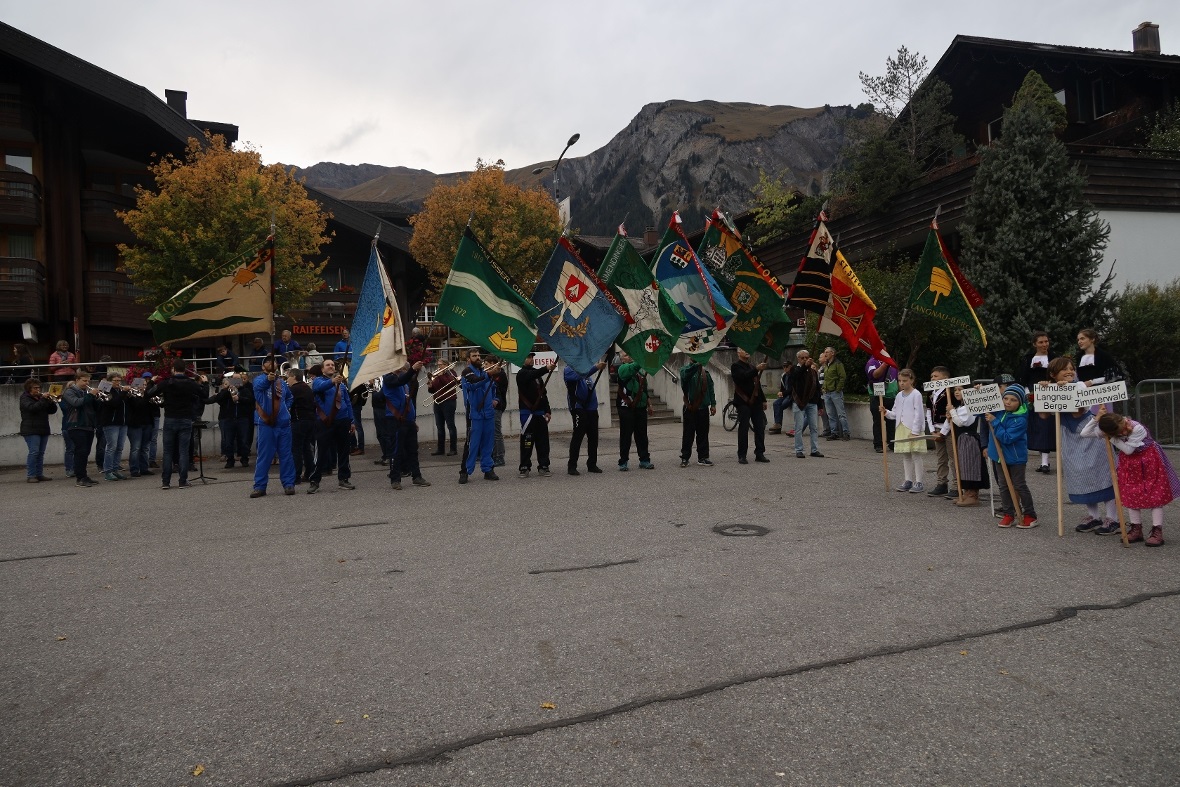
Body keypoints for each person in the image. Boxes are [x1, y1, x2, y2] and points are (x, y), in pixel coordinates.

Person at [1039, 358, 1118, 534]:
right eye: (1064, 369)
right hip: (1069, 435)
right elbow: (1044, 415)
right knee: (1081, 475)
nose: (1069, 371)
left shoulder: (1080, 386)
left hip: (1089, 431)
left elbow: (1078, 411)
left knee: (1102, 472)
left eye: (1071, 368)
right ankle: (1094, 516)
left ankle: (1113, 518)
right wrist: (1044, 392)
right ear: (1053, 374)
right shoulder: (1050, 389)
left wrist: (1066, 389)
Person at [1087, 406, 1179, 547]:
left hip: (1149, 462)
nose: (1126, 429)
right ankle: (1136, 528)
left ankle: (1157, 530)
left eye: (1125, 424)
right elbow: (1084, 433)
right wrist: (1096, 419)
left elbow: (1129, 450)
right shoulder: (1111, 430)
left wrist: (1112, 438)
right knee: (1131, 494)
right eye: (1121, 431)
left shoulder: (1137, 428)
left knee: (1154, 494)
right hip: (1129, 467)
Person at [146, 360, 206, 490]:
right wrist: (205, 382)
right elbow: (204, 395)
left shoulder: (167, 382)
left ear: (173, 369)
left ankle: (166, 482)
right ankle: (182, 481)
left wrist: (151, 381)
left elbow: (149, 393)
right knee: (183, 451)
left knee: (168, 451)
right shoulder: (190, 383)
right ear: (184, 369)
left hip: (170, 419)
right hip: (185, 419)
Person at [986, 384, 1038, 529]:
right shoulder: (1000, 411)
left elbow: (1007, 438)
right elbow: (980, 411)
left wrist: (995, 421)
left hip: (1015, 458)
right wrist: (980, 394)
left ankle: (1030, 515)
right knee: (1003, 485)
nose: (1008, 402)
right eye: (1006, 398)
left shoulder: (1020, 419)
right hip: (998, 456)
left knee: (1019, 485)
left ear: (1020, 402)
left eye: (1013, 400)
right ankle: (1009, 513)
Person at [307, 359, 356, 494]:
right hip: (325, 422)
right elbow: (317, 388)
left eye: (333, 365)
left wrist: (351, 421)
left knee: (344, 451)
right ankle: (315, 481)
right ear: (322, 369)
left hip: (343, 421)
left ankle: (344, 478)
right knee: (321, 452)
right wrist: (332, 382)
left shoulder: (341, 385)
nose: (331, 366)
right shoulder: (318, 381)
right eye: (328, 365)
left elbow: (347, 402)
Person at [250, 356, 296, 497]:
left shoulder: (281, 382)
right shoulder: (258, 379)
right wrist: (267, 379)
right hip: (267, 424)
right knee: (264, 456)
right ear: (263, 367)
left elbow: (289, 397)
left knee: (286, 455)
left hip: (283, 424)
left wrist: (286, 409)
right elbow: (259, 386)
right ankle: (260, 486)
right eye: (268, 361)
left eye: (274, 361)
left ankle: (289, 484)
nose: (272, 363)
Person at [383, 361, 430, 490]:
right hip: (395, 419)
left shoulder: (404, 384)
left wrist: (413, 420)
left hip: (407, 420)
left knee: (413, 450)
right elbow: (400, 381)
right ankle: (395, 479)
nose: (402, 368)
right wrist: (412, 370)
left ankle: (417, 476)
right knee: (396, 451)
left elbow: (408, 401)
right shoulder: (388, 378)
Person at [882, 368, 927, 493]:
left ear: (911, 380)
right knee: (906, 455)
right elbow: (895, 412)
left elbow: (919, 414)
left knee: (916, 454)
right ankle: (908, 480)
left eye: (905, 381)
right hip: (901, 428)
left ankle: (919, 482)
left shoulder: (916, 394)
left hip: (912, 428)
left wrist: (915, 431)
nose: (902, 383)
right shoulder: (898, 395)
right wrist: (886, 412)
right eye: (900, 380)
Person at [1019, 331, 1057, 474]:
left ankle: (1045, 462)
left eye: (1046, 341)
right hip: (1032, 395)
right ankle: (1043, 462)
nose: (1044, 344)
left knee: (1046, 426)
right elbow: (1022, 377)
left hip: (1050, 395)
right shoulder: (1028, 358)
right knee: (1037, 427)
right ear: (1034, 344)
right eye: (1041, 342)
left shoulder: (1054, 357)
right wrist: (1028, 393)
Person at [460, 349, 500, 483]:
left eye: (478, 355)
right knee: (472, 444)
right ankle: (465, 471)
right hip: (474, 414)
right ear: (468, 359)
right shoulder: (467, 372)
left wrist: (496, 399)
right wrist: (489, 374)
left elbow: (494, 388)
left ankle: (488, 469)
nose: (478, 358)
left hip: (488, 413)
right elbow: (473, 383)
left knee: (488, 443)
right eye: (474, 356)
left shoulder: (484, 372)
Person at [947, 386, 990, 507]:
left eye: (960, 389)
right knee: (963, 466)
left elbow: (963, 422)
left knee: (970, 465)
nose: (956, 392)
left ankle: (973, 494)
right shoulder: (959, 407)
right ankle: (967, 492)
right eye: (955, 390)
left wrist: (952, 412)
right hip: (961, 439)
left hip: (969, 439)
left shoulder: (971, 406)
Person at [565, 360, 606, 475]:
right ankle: (572, 466)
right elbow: (581, 375)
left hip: (591, 407)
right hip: (578, 407)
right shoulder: (568, 370)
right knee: (578, 436)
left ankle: (592, 464)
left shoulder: (587, 372)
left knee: (593, 437)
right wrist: (596, 367)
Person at [616, 350, 654, 471]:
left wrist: (649, 405)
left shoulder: (640, 372)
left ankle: (644, 460)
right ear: (622, 360)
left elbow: (644, 389)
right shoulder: (623, 369)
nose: (629, 356)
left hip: (640, 408)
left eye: (630, 354)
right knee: (626, 435)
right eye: (626, 355)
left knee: (642, 435)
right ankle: (623, 461)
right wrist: (645, 357)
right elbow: (634, 366)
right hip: (626, 408)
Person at [731, 348, 769, 464]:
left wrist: (763, 400)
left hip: (756, 402)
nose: (747, 351)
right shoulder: (736, 366)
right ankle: (742, 454)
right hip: (743, 402)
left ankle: (759, 453)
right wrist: (756, 369)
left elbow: (757, 384)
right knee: (744, 428)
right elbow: (742, 377)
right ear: (738, 353)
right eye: (743, 349)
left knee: (760, 427)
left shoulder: (752, 367)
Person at [517, 352, 552, 478]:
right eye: (528, 357)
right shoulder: (522, 374)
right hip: (527, 413)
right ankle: (525, 466)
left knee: (543, 441)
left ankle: (544, 465)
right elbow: (531, 375)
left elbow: (543, 393)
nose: (531, 359)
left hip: (539, 413)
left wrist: (547, 410)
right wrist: (546, 369)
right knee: (527, 441)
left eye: (532, 357)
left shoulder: (538, 376)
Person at [63, 370, 100, 487]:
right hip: (76, 425)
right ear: (77, 380)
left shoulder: (86, 392)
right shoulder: (69, 392)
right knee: (80, 451)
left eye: (88, 380)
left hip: (88, 425)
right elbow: (76, 403)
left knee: (85, 452)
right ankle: (80, 478)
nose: (86, 383)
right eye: (84, 380)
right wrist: (91, 395)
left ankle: (84, 476)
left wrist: (97, 398)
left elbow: (95, 408)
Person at [208, 370, 251, 468]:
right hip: (229, 418)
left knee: (244, 440)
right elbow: (218, 398)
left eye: (237, 379)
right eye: (233, 379)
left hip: (242, 418)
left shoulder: (245, 390)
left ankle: (244, 459)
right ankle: (230, 460)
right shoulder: (226, 392)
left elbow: (250, 400)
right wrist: (226, 389)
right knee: (228, 441)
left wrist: (239, 398)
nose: (235, 381)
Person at [679, 357, 715, 467]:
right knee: (688, 434)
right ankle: (685, 457)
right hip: (690, 408)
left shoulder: (706, 374)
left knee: (703, 434)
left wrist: (713, 404)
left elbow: (710, 389)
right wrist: (696, 365)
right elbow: (685, 376)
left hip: (703, 408)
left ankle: (703, 457)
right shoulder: (685, 370)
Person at [19, 377, 56, 482]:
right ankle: (31, 475)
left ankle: (39, 474)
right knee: (34, 452)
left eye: (39, 388)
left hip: (43, 428)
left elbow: (53, 411)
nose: (38, 390)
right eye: (35, 388)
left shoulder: (41, 399)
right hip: (30, 429)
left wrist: (50, 401)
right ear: (29, 389)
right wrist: (44, 399)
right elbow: (32, 408)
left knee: (40, 453)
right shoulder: (24, 398)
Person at [790, 349, 824, 459]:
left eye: (806, 357)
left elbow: (817, 389)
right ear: (798, 359)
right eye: (802, 358)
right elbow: (795, 377)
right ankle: (799, 450)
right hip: (799, 402)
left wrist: (820, 405)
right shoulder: (794, 369)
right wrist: (805, 366)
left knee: (814, 427)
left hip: (812, 403)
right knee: (799, 427)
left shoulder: (813, 372)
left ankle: (814, 449)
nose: (805, 359)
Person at [285, 368, 316, 484]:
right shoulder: (307, 388)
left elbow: (288, 403)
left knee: (296, 449)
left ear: (294, 377)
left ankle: (296, 475)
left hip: (298, 421)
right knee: (306, 447)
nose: (287, 379)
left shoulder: (293, 389)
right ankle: (309, 472)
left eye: (288, 377)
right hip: (310, 420)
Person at [98, 371, 130, 481]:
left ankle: (116, 469)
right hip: (111, 423)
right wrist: (123, 393)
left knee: (120, 448)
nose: (117, 382)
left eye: (119, 380)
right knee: (111, 447)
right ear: (110, 381)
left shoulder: (120, 391)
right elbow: (113, 403)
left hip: (123, 423)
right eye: (115, 380)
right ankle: (108, 471)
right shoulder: (106, 391)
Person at [926, 366, 952, 497]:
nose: (933, 379)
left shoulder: (950, 392)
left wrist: (943, 432)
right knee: (941, 458)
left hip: (948, 428)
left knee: (953, 458)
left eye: (935, 376)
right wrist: (932, 430)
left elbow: (950, 413)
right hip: (936, 429)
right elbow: (929, 411)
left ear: (945, 378)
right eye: (931, 377)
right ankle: (942, 483)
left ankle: (956, 485)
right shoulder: (931, 392)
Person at [866, 356, 898, 453]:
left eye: (884, 346)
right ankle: (878, 444)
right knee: (878, 420)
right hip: (877, 396)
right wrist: (884, 364)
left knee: (892, 420)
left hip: (891, 396)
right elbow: (874, 375)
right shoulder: (872, 362)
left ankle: (892, 443)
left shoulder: (891, 361)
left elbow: (897, 377)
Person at [427, 361, 459, 456]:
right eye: (438, 365)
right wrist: (430, 386)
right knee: (439, 426)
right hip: (438, 402)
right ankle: (440, 449)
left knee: (450, 425)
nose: (439, 366)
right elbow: (434, 390)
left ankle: (453, 449)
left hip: (449, 402)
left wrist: (440, 376)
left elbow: (449, 384)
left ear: (446, 365)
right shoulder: (437, 375)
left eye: (441, 364)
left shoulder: (452, 373)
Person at [125, 376, 154, 478]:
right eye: (143, 385)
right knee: (136, 448)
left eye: (145, 385)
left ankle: (144, 468)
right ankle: (134, 469)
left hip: (147, 423)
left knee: (145, 448)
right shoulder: (131, 395)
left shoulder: (147, 395)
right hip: (135, 424)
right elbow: (138, 405)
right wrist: (146, 396)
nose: (144, 387)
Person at [820, 347, 850, 441]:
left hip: (835, 392)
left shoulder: (838, 364)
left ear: (832, 353)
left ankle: (846, 432)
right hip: (827, 392)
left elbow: (842, 377)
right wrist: (824, 388)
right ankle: (834, 432)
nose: (825, 354)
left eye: (827, 352)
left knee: (841, 414)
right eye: (825, 352)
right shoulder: (827, 365)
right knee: (830, 414)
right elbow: (826, 378)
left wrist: (838, 389)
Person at [489, 358, 508, 467]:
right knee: (492, 432)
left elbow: (499, 390)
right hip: (490, 406)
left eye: (487, 364)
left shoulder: (501, 375)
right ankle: (493, 455)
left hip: (498, 405)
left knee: (496, 433)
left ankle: (500, 457)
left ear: (493, 364)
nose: (485, 366)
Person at [768, 360, 794, 436]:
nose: (785, 368)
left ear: (790, 367)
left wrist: (783, 393)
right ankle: (777, 425)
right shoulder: (784, 376)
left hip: (791, 395)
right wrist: (780, 393)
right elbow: (783, 388)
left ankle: (778, 425)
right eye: (784, 367)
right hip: (785, 395)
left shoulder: (793, 375)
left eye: (787, 367)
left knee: (782, 405)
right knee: (776, 403)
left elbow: (792, 389)